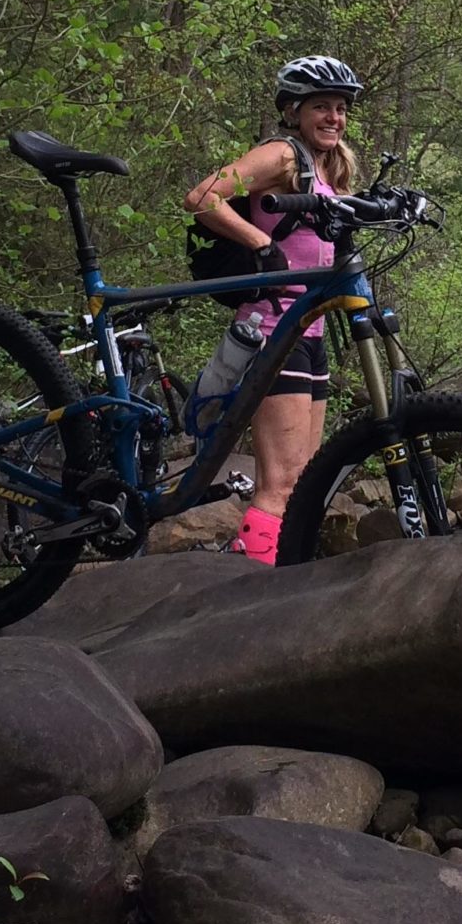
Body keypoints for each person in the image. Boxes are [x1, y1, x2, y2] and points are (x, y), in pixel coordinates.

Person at [182, 55, 361, 563]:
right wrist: (260, 242)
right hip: (271, 328)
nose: (334, 117)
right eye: (322, 107)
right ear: (294, 111)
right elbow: (202, 197)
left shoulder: (328, 166)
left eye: (341, 108)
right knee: (280, 483)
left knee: (304, 480)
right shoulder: (281, 155)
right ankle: (247, 590)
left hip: (310, 331)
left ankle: (281, 580)